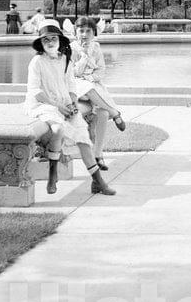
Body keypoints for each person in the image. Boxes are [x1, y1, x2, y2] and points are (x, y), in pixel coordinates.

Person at [23, 20, 115, 196]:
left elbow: (72, 85)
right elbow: (35, 91)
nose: (50, 42)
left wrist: (72, 103)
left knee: (83, 138)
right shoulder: (37, 62)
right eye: (46, 40)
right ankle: (53, 172)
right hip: (44, 105)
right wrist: (59, 106)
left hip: (65, 103)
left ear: (59, 40)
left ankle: (98, 182)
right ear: (41, 44)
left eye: (53, 38)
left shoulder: (64, 59)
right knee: (57, 129)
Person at [69, 17, 126, 172]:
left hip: (91, 83)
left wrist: (90, 77)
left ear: (94, 33)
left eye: (88, 31)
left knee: (102, 112)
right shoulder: (72, 48)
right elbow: (71, 73)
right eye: (81, 31)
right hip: (76, 85)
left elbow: (101, 70)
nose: (85, 34)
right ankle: (116, 113)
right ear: (76, 32)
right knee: (88, 88)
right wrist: (84, 58)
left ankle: (98, 154)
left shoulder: (96, 47)